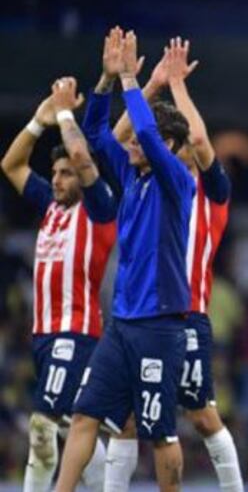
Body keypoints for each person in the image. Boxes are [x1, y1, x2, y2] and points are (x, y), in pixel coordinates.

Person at [55, 28, 195, 492]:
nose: (130, 143)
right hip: (122, 322)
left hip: (161, 323)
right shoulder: (133, 177)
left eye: (137, 139)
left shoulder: (176, 180)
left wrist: (135, 78)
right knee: (84, 414)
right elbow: (96, 131)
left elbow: (150, 135)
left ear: (170, 147)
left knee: (159, 432)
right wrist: (107, 79)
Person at [103, 37, 244, 492]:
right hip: (142, 313)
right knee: (124, 418)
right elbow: (122, 137)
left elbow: (200, 139)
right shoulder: (147, 178)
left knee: (201, 416)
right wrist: (151, 84)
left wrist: (178, 86)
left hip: (188, 315)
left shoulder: (210, 190)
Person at [2, 77, 118, 492]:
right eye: (54, 173)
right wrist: (39, 120)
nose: (56, 179)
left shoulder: (99, 208)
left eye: (66, 173)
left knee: (42, 422)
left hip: (77, 331)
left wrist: (66, 112)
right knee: (70, 422)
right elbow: (11, 165)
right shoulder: (51, 208)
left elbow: (83, 157)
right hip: (44, 334)